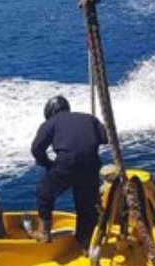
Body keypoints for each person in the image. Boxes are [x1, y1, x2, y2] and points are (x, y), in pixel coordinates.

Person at [31, 95, 108, 250]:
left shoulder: (50, 122)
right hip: (91, 165)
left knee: (45, 193)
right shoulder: (89, 118)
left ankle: (44, 232)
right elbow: (105, 137)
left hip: (67, 163)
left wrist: (47, 164)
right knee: (87, 204)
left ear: (50, 112)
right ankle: (86, 243)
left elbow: (36, 149)